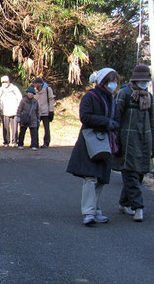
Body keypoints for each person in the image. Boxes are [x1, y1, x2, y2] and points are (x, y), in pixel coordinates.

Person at [66, 68, 119, 225]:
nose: (113, 84)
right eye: (111, 81)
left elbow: (116, 118)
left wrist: (114, 124)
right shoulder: (90, 96)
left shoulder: (112, 99)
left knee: (102, 177)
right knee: (90, 177)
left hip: (107, 141)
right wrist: (106, 122)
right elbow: (85, 117)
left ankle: (96, 209)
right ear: (103, 81)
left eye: (115, 81)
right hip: (90, 141)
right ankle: (88, 212)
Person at [113, 64, 154, 223]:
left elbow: (152, 122)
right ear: (135, 79)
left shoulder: (149, 96)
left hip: (145, 141)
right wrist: (116, 141)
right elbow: (115, 118)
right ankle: (138, 207)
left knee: (139, 174)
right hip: (128, 141)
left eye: (147, 80)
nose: (144, 83)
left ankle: (124, 203)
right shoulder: (124, 94)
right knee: (130, 173)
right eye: (142, 80)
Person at [0, 76, 22, 147]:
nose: (4, 83)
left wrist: (18, 108)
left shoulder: (14, 88)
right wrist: (0, 108)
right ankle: (6, 141)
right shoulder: (0, 90)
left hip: (14, 110)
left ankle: (14, 141)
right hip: (5, 111)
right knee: (5, 127)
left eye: (6, 82)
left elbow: (19, 98)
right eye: (3, 82)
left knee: (14, 127)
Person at [33, 78, 55, 148]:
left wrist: (51, 110)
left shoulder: (47, 89)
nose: (35, 85)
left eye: (36, 83)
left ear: (40, 84)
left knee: (46, 128)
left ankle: (46, 142)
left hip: (46, 111)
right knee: (35, 128)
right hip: (37, 112)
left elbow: (51, 100)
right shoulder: (34, 91)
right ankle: (35, 142)